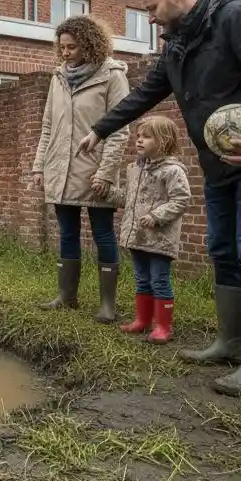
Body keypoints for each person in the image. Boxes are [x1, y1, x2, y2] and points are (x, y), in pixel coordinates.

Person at [76, 0, 241, 398]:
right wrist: (100, 130)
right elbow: (145, 94)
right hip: (218, 164)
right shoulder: (177, 44)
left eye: (152, 8)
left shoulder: (239, 18)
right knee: (222, 247)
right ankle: (230, 342)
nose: (150, 17)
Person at [30, 15, 132, 324]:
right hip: (60, 168)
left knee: (103, 233)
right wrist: (39, 166)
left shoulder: (112, 76)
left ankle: (107, 305)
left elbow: (120, 130)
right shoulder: (57, 78)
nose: (65, 53)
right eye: (61, 47)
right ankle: (66, 297)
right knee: (67, 233)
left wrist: (105, 172)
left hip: (94, 170)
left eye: (72, 47)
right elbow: (48, 127)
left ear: (89, 44)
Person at [106, 115, 191, 344]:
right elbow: (128, 199)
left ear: (163, 141)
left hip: (160, 238)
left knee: (159, 280)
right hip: (137, 236)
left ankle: (163, 326)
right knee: (142, 279)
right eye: (138, 136)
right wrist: (108, 192)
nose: (139, 141)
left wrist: (156, 216)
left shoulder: (173, 171)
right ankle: (142, 320)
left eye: (146, 136)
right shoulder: (134, 169)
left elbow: (181, 200)